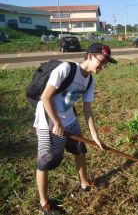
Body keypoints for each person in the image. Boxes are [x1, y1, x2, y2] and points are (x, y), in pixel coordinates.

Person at [34, 43, 117, 214]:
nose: (103, 66)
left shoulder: (90, 80)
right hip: (47, 119)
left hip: (69, 118)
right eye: (101, 61)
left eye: (106, 64)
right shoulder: (66, 69)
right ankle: (43, 203)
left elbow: (87, 109)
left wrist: (95, 136)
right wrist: (56, 123)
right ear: (90, 56)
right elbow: (45, 97)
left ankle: (84, 183)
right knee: (46, 159)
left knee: (80, 149)